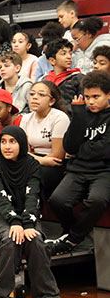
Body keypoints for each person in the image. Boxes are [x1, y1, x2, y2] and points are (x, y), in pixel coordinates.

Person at [0, 126, 62, 298]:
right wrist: (14, 222)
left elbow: (32, 196)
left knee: (35, 240)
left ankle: (48, 297)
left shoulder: (32, 164)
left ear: (22, 144)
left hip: (28, 215)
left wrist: (27, 224)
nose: (7, 146)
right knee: (9, 239)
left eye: (12, 142)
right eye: (3, 142)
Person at [48, 71, 110, 255]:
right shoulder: (80, 112)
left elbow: (105, 149)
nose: (91, 101)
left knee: (97, 200)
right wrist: (79, 116)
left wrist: (81, 150)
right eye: (88, 97)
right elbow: (70, 146)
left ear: (109, 95)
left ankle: (72, 240)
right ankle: (73, 234)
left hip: (104, 171)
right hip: (77, 170)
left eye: (96, 97)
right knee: (57, 200)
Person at [20, 81, 70, 200]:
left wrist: (34, 159)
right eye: (32, 94)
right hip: (39, 160)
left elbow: (58, 156)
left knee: (35, 173)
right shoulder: (26, 119)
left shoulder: (60, 118)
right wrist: (41, 160)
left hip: (56, 165)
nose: (35, 97)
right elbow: (23, 152)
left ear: (52, 101)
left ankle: (34, 211)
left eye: (41, 95)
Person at [43, 38, 83, 116]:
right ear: (52, 61)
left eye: (70, 53)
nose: (69, 57)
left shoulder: (78, 78)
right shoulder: (44, 81)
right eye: (63, 54)